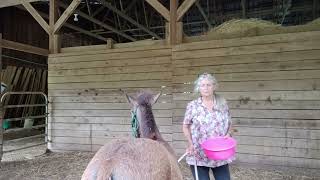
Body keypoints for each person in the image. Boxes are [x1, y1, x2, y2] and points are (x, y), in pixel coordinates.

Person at [182, 72, 234, 180]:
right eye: (202, 85)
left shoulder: (223, 104)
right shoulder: (193, 106)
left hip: (219, 154)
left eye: (209, 85)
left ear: (214, 87)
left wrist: (228, 134)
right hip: (198, 153)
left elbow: (230, 124)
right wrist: (190, 143)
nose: (206, 88)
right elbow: (185, 126)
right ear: (198, 88)